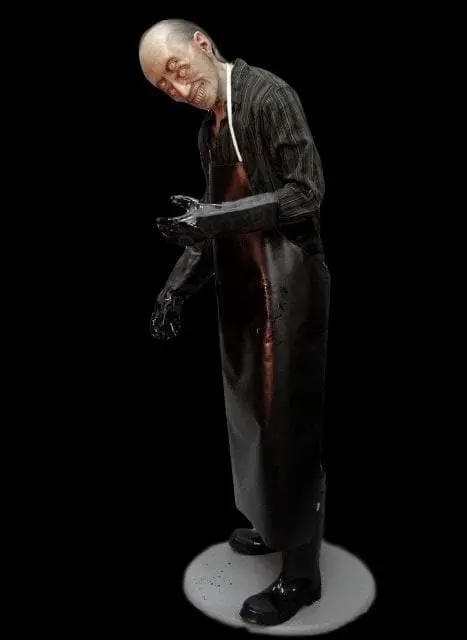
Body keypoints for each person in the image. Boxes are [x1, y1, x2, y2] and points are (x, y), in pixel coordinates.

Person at [139, 18, 331, 627]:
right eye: (163, 87)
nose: (177, 89)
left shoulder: (268, 96)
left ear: (202, 44)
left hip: (290, 285)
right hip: (244, 292)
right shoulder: (210, 131)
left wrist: (216, 219)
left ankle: (302, 575)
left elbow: (306, 193)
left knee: (288, 429)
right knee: (250, 420)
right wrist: (175, 289)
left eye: (175, 70)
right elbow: (214, 220)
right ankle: (272, 525)